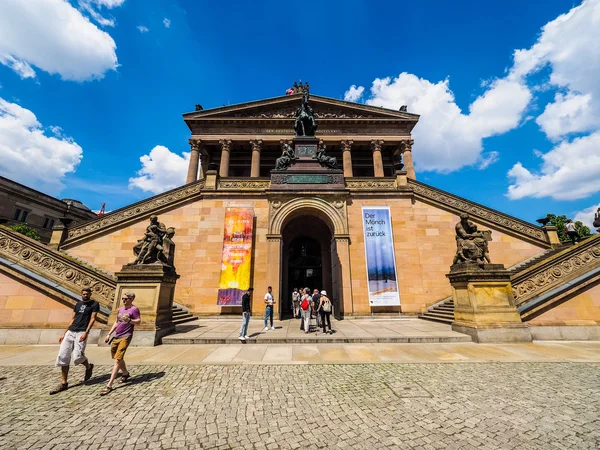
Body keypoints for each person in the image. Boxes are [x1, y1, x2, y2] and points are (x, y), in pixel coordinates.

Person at [50, 287, 99, 395]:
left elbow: (93, 318)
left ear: (90, 294)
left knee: (77, 357)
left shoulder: (94, 304)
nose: (85, 295)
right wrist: (64, 333)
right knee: (63, 356)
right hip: (71, 332)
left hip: (82, 331)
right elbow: (72, 319)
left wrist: (86, 332)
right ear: (81, 294)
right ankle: (64, 383)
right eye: (83, 293)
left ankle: (88, 366)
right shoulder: (78, 304)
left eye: (87, 293)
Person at [100, 291, 141, 396]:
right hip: (117, 336)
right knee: (117, 357)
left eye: (126, 299)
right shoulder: (120, 309)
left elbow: (139, 321)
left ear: (131, 299)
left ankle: (109, 385)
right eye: (123, 298)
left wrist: (130, 320)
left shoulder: (134, 309)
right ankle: (126, 373)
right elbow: (116, 322)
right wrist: (109, 334)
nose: (123, 300)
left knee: (117, 360)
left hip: (126, 336)